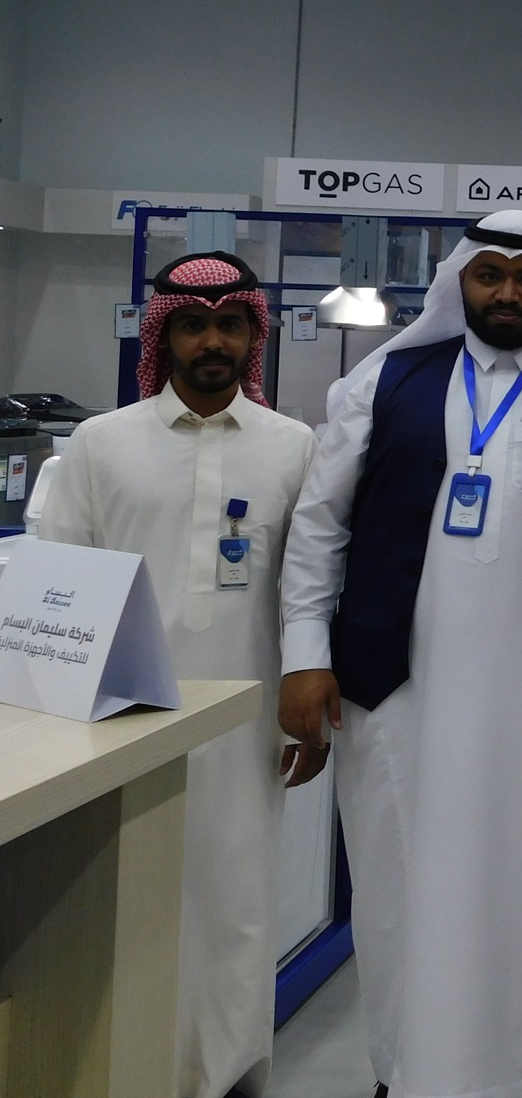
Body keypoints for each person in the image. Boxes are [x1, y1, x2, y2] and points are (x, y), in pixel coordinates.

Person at [277, 210, 522, 1098]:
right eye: (490, 275)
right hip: (402, 689)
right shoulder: (385, 379)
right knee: (399, 880)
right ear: (460, 281)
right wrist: (305, 653)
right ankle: (405, 1070)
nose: (508, 293)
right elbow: (320, 525)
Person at [40, 252, 317, 1098]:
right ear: (163, 336)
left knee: (238, 905)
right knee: (126, 906)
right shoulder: (101, 443)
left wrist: (309, 710)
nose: (212, 343)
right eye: (193, 326)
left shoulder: (294, 448)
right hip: (116, 725)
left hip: (247, 724)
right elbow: (56, 587)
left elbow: (310, 591)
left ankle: (230, 1076)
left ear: (252, 336)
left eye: (229, 326)